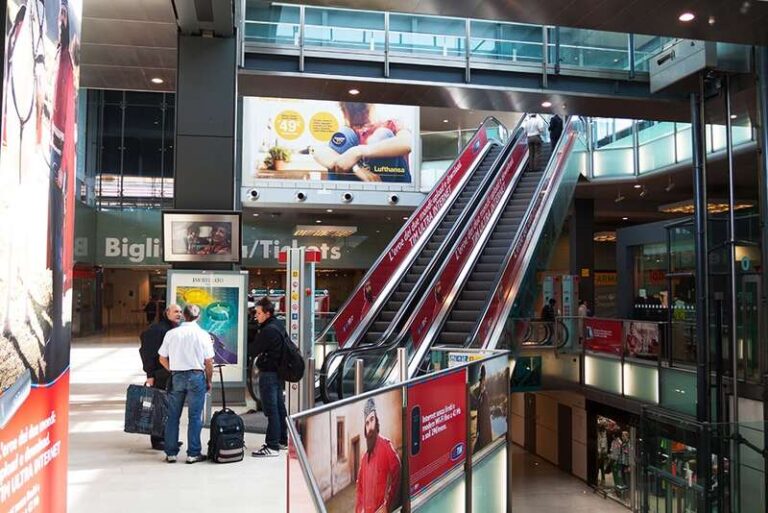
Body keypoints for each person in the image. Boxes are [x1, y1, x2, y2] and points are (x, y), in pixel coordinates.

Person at [158, 304, 214, 464]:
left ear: (184, 316)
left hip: (177, 377)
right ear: (198, 317)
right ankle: (193, 453)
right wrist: (208, 380)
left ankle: (171, 453)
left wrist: (173, 370)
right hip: (197, 376)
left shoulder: (171, 334)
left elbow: (162, 358)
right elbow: (208, 361)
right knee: (195, 416)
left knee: (173, 416)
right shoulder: (203, 335)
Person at [312, 102, 413, 182]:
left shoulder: (391, 124)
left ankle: (380, 193)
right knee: (344, 134)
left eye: (362, 110)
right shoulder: (350, 133)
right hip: (359, 183)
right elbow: (318, 152)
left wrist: (358, 151)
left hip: (391, 184)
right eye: (352, 110)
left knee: (383, 134)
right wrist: (356, 169)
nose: (357, 115)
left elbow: (407, 143)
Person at [139, 303, 183, 450]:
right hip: (159, 374)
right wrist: (150, 374)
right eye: (175, 311)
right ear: (167, 313)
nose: (179, 314)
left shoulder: (172, 329)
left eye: (181, 312)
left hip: (168, 374)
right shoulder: (157, 330)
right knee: (159, 407)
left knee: (168, 407)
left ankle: (167, 437)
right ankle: (157, 439)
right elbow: (147, 353)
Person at [249, 297, 289, 457]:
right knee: (279, 407)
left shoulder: (268, 330)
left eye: (258, 313)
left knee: (271, 409)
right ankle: (281, 440)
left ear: (267, 313)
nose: (256, 316)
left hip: (269, 374)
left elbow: (254, 349)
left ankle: (272, 445)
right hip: (278, 373)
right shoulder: (278, 325)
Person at [355, 397, 402, 513]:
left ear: (376, 420)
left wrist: (388, 504)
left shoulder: (385, 446)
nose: (370, 426)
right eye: (367, 423)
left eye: (372, 420)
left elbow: (398, 471)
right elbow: (359, 488)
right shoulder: (364, 458)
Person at [472, 364, 492, 454]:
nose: (483, 383)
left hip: (481, 439)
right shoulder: (475, 394)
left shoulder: (484, 396)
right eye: (481, 380)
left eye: (483, 380)